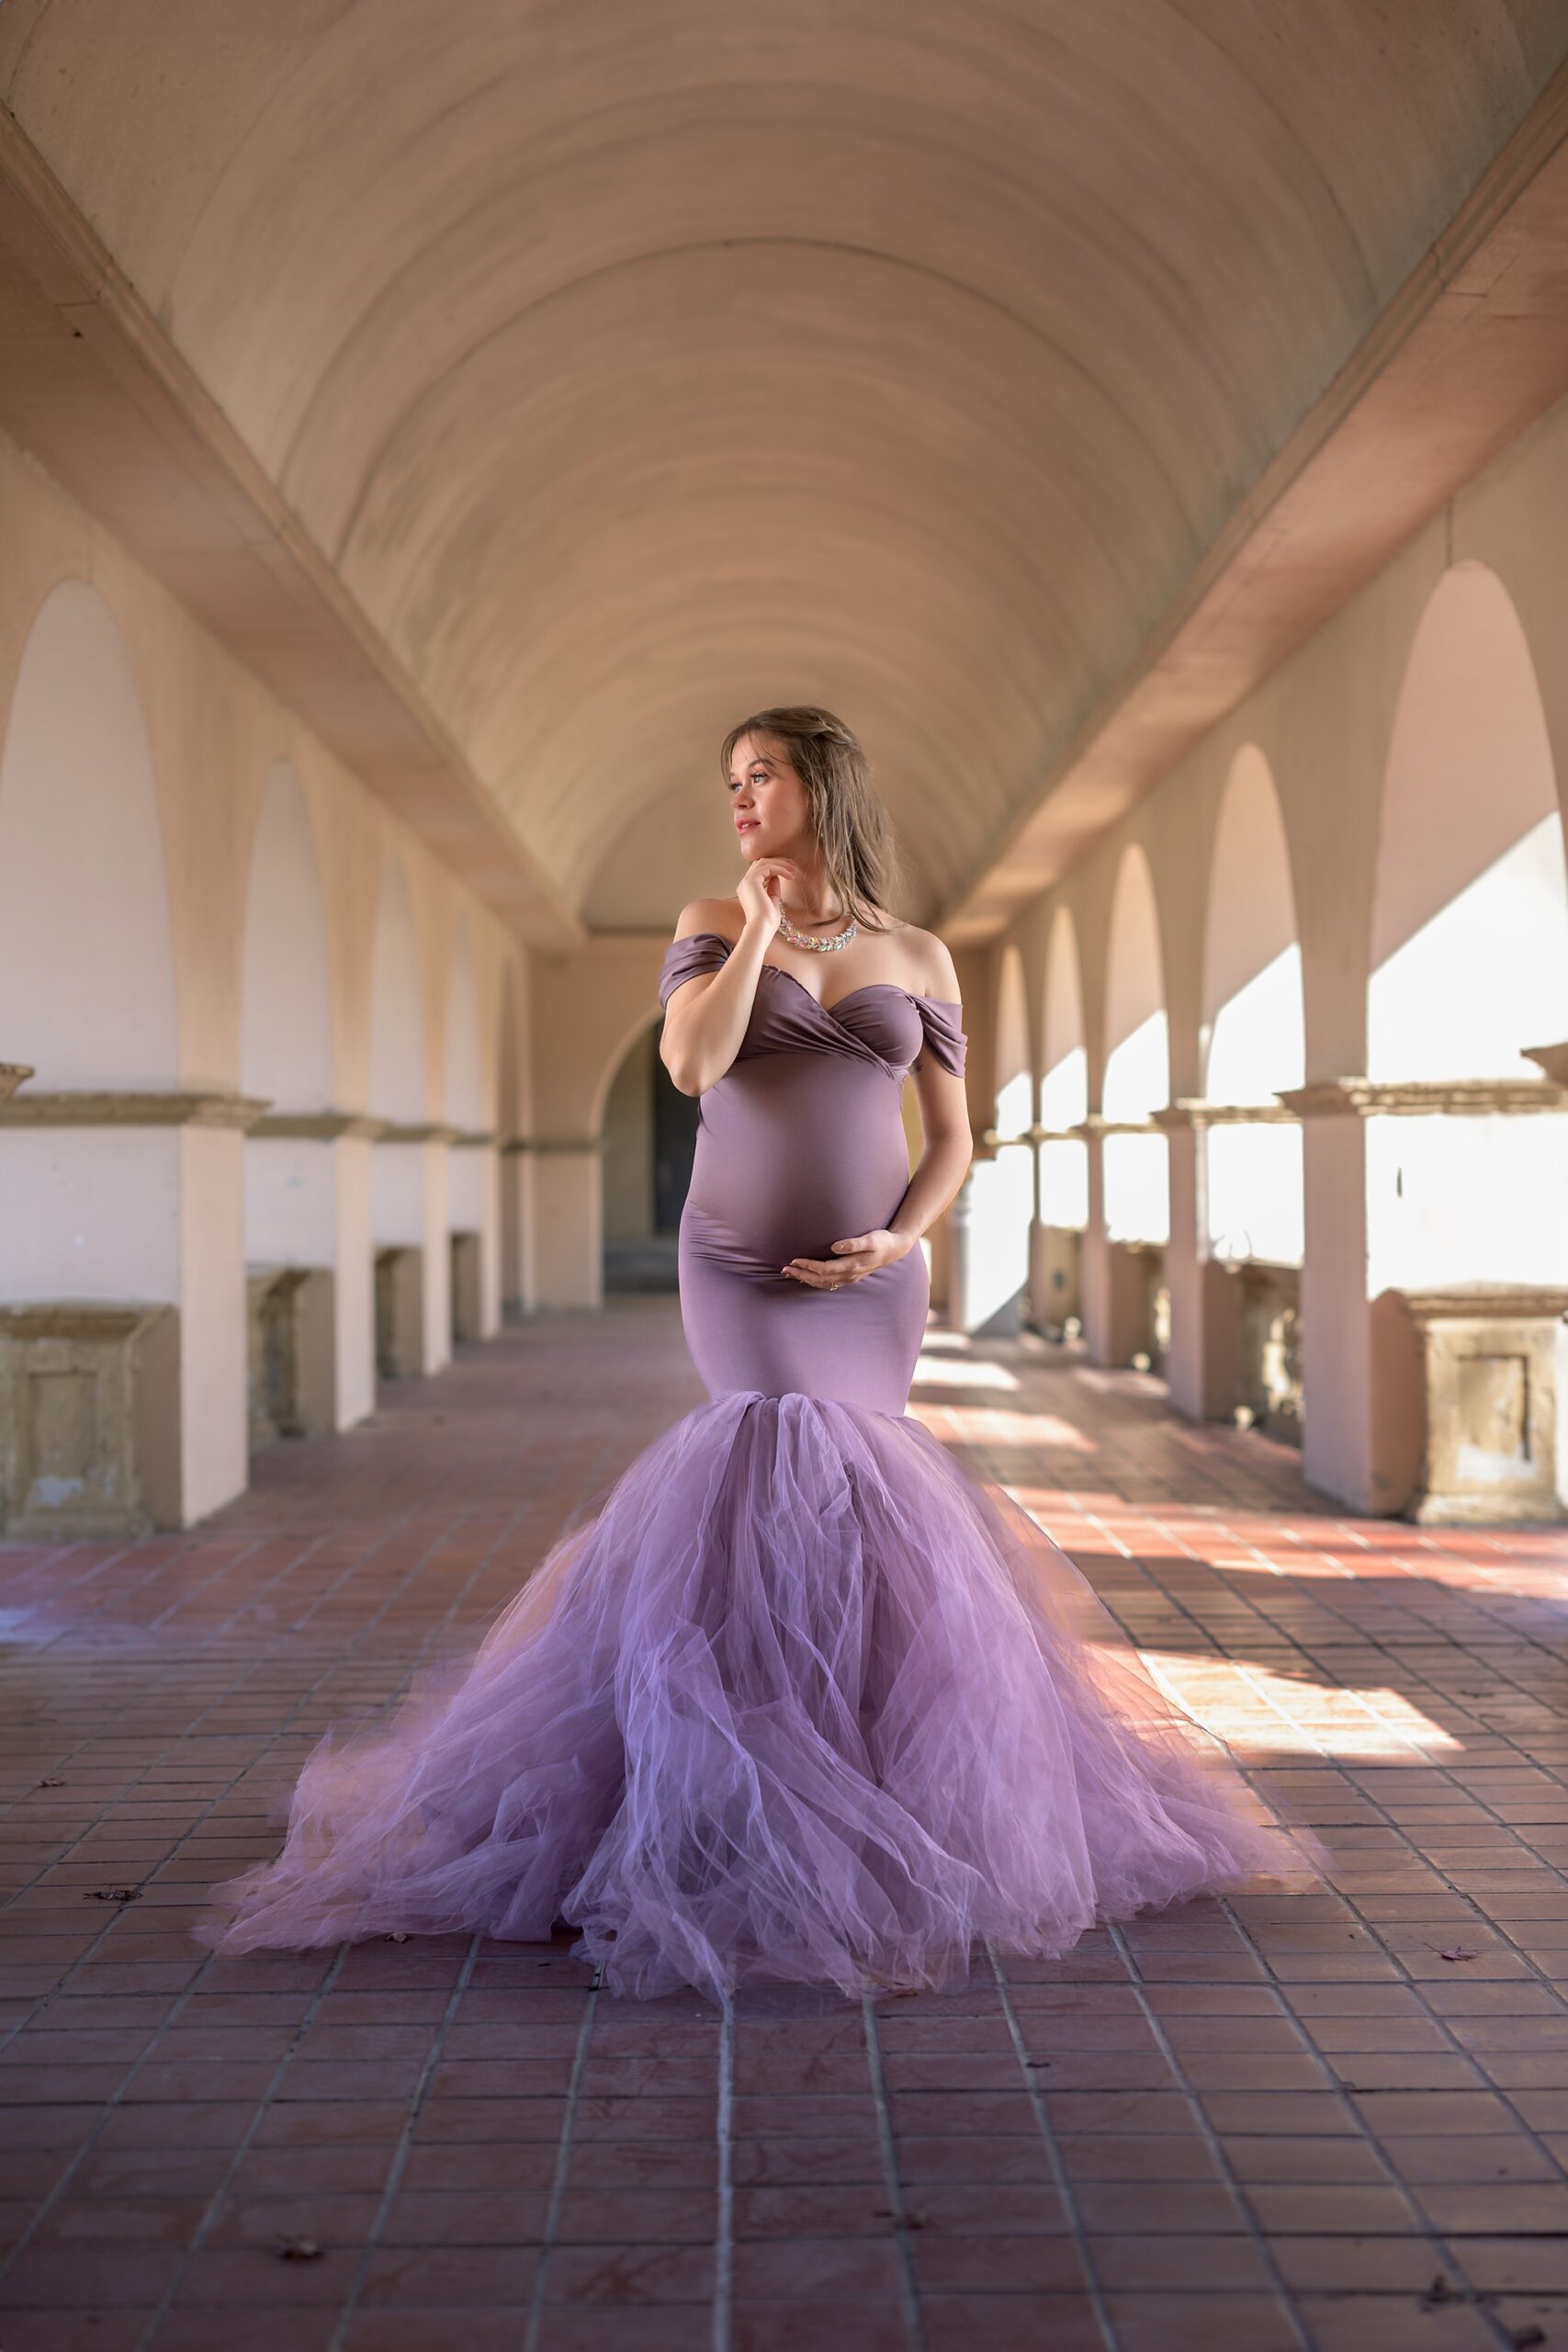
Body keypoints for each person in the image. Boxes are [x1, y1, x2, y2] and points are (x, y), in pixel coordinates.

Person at [197, 706, 1301, 2005]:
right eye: (730, 779)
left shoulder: (917, 951)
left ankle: (872, 1797)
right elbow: (690, 1060)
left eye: (760, 775)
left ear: (820, 786)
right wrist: (762, 925)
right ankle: (717, 1806)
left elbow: (948, 1134)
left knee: (868, 1518)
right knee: (752, 1480)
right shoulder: (708, 926)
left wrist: (897, 1243)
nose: (738, 796)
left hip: (871, 1281)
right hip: (737, 1268)